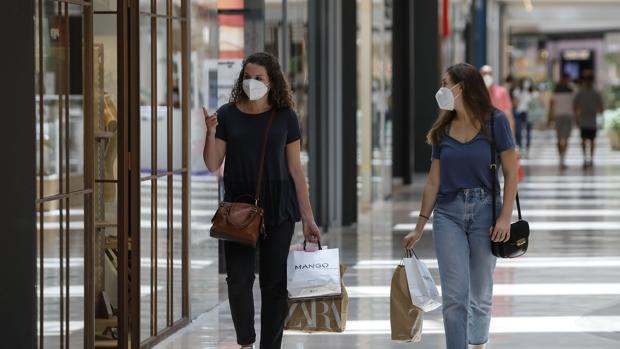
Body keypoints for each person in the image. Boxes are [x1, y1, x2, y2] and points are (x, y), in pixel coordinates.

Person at [203, 52, 321, 349]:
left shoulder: (286, 117)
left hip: (278, 204)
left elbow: (296, 170)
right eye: (248, 77)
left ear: (272, 82)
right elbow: (212, 162)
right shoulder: (227, 114)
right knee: (238, 280)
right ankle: (246, 341)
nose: (252, 82)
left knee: (274, 284)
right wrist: (210, 131)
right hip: (239, 207)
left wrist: (308, 217)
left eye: (259, 78)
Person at [403, 63, 518, 349]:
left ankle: (478, 343)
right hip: (448, 215)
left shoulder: (496, 122)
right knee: (455, 296)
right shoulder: (442, 130)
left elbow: (511, 171)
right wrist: (419, 225)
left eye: (445, 83)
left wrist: (505, 217)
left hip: (486, 213)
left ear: (461, 87)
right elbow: (433, 181)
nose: (441, 89)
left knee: (480, 294)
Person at [573, 70, 604, 168]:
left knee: (586, 140)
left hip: (586, 119)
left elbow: (574, 106)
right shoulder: (594, 92)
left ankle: (587, 158)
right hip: (590, 119)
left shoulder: (582, 92)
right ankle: (589, 158)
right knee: (591, 140)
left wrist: (577, 117)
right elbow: (601, 108)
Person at [548, 73, 575, 169]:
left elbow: (551, 105)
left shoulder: (556, 92)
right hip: (566, 116)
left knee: (560, 138)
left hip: (559, 116)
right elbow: (574, 106)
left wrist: (549, 118)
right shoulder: (571, 91)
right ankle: (562, 158)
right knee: (564, 138)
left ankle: (561, 158)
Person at [480, 65, 515, 134]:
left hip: (498, 130)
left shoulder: (502, 91)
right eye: (484, 73)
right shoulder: (476, 92)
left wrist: (512, 134)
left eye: (489, 73)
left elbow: (508, 113)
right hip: (482, 130)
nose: (487, 76)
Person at [513, 78, 533, 149]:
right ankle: (519, 145)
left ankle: (528, 146)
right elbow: (515, 103)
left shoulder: (532, 92)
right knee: (518, 130)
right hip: (519, 112)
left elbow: (533, 103)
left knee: (528, 131)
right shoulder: (517, 91)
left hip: (528, 113)